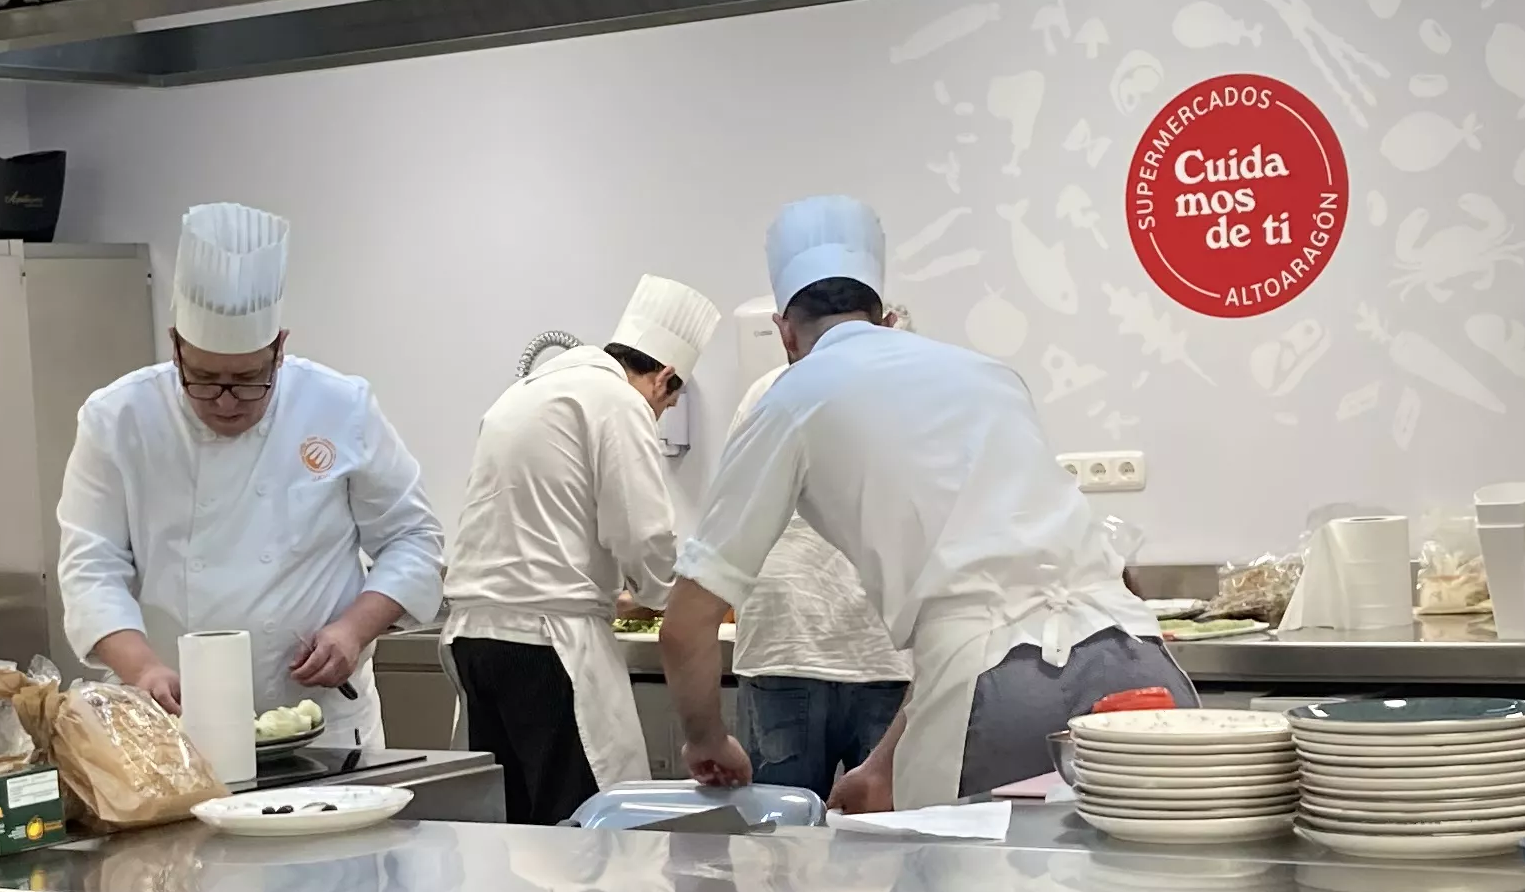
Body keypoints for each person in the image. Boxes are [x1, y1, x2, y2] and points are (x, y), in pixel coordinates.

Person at [660, 194, 1186, 811]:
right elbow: (993, 608)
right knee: (1140, 871)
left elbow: (686, 625)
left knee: (957, 875)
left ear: (784, 333)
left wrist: (707, 740)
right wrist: (882, 769)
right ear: (886, 319)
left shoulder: (790, 399)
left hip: (999, 698)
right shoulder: (991, 375)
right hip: (1140, 663)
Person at [55, 201, 444, 758]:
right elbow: (91, 567)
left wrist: (353, 631)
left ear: (279, 348)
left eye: (248, 379)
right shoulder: (118, 419)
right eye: (203, 378)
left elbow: (413, 538)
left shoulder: (340, 407)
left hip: (324, 722)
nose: (226, 401)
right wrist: (142, 669)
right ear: (175, 346)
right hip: (173, 724)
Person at [440, 274, 721, 824]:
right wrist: (670, 596)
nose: (659, 415)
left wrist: (623, 594)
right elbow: (644, 533)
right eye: (667, 404)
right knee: (585, 830)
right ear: (665, 378)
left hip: (475, 639)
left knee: (512, 830)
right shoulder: (618, 401)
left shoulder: (525, 393)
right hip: (546, 646)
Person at [724, 313, 910, 799]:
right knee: (891, 833)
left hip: (784, 644)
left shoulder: (769, 392)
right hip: (885, 648)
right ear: (888, 324)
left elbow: (730, 516)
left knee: (780, 831)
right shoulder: (912, 394)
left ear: (786, 331)